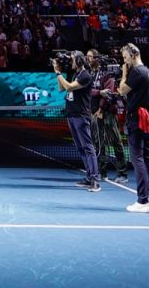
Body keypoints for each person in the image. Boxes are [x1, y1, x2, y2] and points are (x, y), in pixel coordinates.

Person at [119, 44, 149, 212]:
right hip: (147, 117)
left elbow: (122, 90)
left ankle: (142, 200)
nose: (125, 61)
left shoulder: (136, 72)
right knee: (148, 159)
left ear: (133, 54)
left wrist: (123, 74)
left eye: (125, 58)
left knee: (137, 159)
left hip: (137, 119)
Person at [55, 51, 101, 192]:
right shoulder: (75, 74)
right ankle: (88, 177)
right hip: (72, 114)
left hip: (81, 116)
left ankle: (95, 180)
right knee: (81, 148)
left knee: (88, 147)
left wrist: (57, 73)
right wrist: (60, 73)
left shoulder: (85, 75)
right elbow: (62, 87)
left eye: (73, 59)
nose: (71, 62)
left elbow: (69, 87)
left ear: (80, 61)